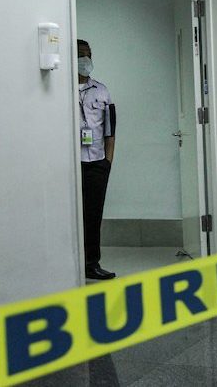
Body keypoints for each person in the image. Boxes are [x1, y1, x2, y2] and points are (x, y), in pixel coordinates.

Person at [77, 40, 117, 280]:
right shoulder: (59, 91)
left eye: (88, 55)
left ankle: (91, 263)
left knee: (93, 216)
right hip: (72, 165)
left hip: (97, 163)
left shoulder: (102, 91)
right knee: (71, 216)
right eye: (80, 55)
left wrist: (107, 164)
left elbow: (110, 131)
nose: (85, 59)